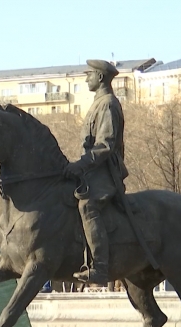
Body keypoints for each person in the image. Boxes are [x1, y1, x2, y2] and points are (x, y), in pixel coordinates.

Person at [63, 59, 129, 287]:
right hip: (92, 170)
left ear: (100, 77)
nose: (86, 78)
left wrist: (81, 164)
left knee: (87, 206)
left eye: (89, 74)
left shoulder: (108, 103)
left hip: (105, 173)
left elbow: (106, 144)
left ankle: (99, 267)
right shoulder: (98, 103)